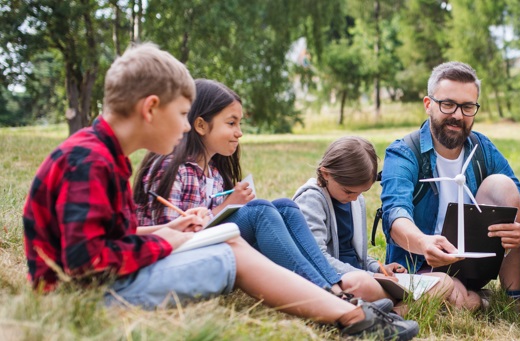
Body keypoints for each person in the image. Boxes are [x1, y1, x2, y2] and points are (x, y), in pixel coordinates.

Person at [21, 43, 418, 340]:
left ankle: (344, 309)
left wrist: (169, 231)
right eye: (180, 115)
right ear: (150, 108)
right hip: (85, 297)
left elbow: (109, 240)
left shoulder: (101, 156)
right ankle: (349, 317)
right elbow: (86, 265)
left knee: (229, 240)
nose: (182, 127)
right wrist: (168, 242)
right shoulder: (89, 162)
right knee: (228, 252)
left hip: (99, 283)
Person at [133, 79, 388, 303]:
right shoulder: (174, 169)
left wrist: (227, 207)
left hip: (211, 246)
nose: (239, 132)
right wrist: (226, 207)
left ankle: (333, 283)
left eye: (239, 123)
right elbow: (174, 237)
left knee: (285, 206)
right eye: (231, 123)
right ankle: (326, 293)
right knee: (259, 212)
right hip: (176, 260)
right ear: (201, 125)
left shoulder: (212, 172)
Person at [379, 61, 520, 311]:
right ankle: (480, 299)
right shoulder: (405, 152)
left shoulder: (482, 148)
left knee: (503, 185)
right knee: (455, 297)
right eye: (448, 104)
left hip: (474, 263)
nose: (457, 115)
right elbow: (395, 214)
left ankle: (512, 297)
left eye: (467, 107)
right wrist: (424, 243)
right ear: (428, 104)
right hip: (421, 264)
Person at [292, 136, 455, 302]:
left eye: (361, 192)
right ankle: (398, 302)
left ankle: (396, 311)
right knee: (362, 284)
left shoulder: (355, 201)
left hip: (364, 277)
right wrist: (371, 275)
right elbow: (316, 258)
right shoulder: (311, 200)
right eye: (349, 192)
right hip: (337, 281)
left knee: (444, 281)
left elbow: (356, 255)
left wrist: (379, 268)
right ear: (326, 173)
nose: (355, 198)